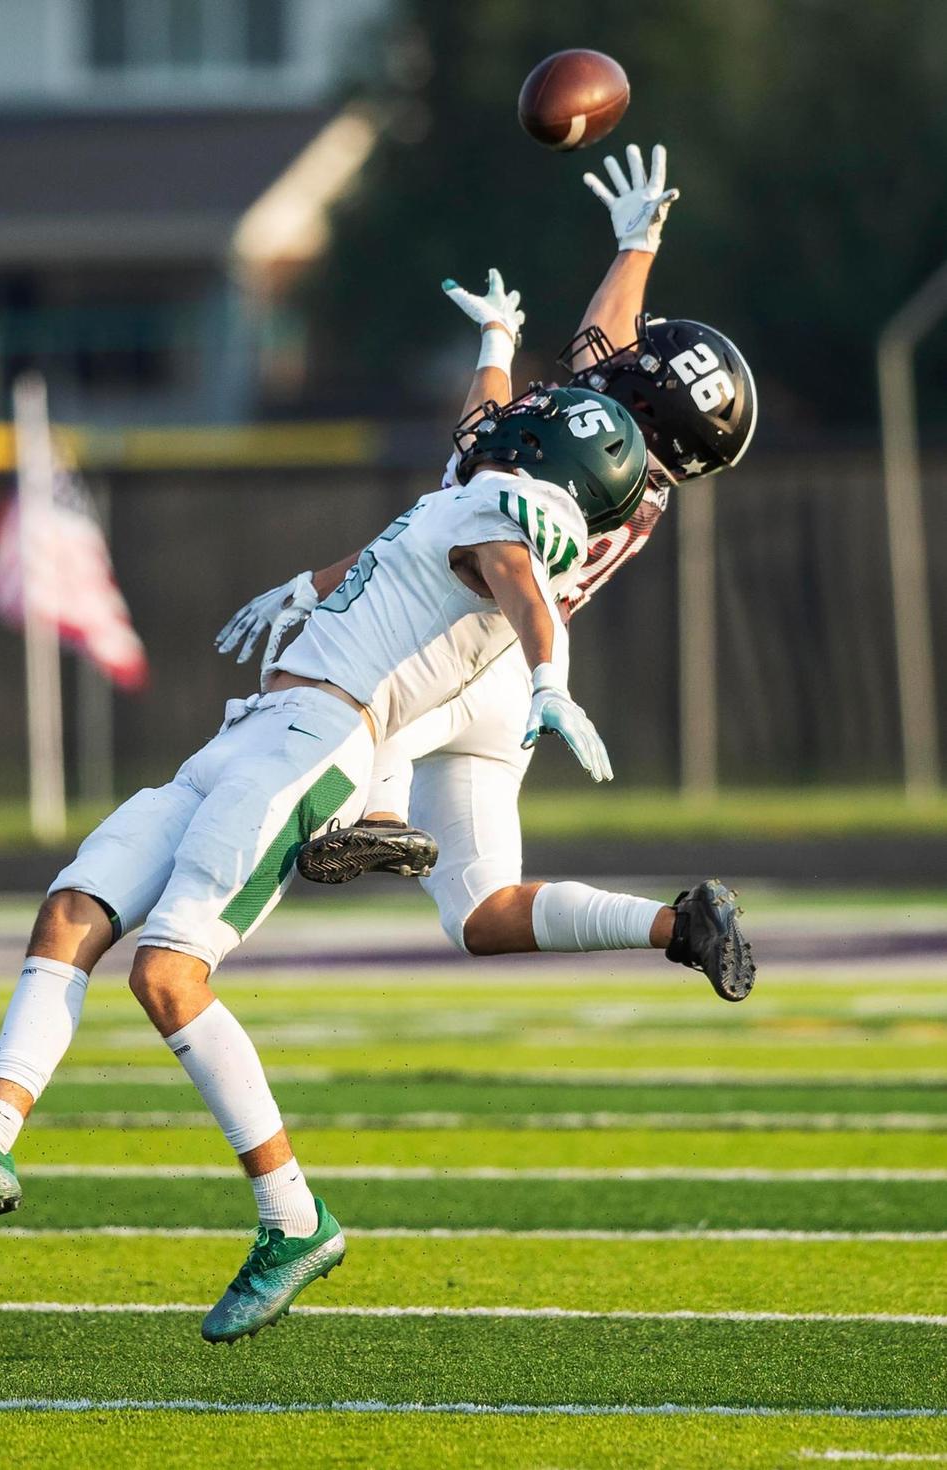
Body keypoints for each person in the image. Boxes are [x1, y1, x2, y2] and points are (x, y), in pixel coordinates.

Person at [0, 360, 648, 1344]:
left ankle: (293, 1221)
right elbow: (464, 474)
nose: (504, 424)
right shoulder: (476, 495)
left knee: (169, 976)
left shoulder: (518, 508)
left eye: (529, 422)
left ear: (550, 455)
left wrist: (551, 677)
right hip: (257, 729)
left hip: (315, 744)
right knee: (73, 908)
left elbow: (516, 572)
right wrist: (498, 334)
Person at [217, 143, 757, 1001]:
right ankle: (677, 924)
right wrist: (635, 248)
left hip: (465, 641)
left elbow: (478, 450)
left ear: (644, 407)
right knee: (482, 912)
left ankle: (378, 815)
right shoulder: (638, 476)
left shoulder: (584, 447)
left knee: (352, 708)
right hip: (509, 684)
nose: (624, 355)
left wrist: (503, 340)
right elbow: (607, 362)